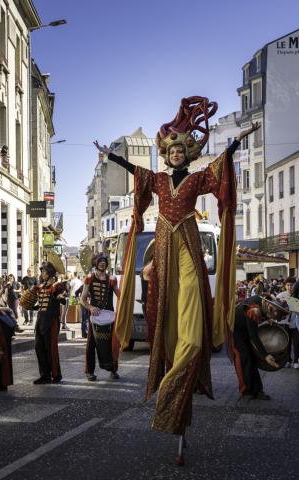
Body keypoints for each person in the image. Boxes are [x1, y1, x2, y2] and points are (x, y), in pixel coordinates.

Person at [94, 97, 244, 444]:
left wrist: (238, 141)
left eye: (181, 151)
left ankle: (177, 377)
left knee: (192, 305)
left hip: (188, 243)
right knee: (164, 310)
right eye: (172, 151)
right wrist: (111, 156)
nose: (176, 154)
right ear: (167, 154)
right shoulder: (159, 180)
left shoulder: (195, 180)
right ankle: (171, 373)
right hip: (162, 243)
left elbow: (221, 166)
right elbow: (136, 173)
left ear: (187, 155)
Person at [232, 295, 288, 400]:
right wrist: (265, 355)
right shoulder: (254, 309)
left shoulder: (266, 303)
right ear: (271, 308)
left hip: (245, 329)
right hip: (235, 331)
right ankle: (246, 390)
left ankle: (256, 390)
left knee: (252, 359)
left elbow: (264, 317)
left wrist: (268, 319)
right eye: (274, 317)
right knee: (244, 359)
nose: (274, 319)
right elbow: (254, 336)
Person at [80, 253, 121, 381]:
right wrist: (91, 308)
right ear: (96, 264)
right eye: (100, 261)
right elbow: (82, 299)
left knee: (112, 344)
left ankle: (113, 370)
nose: (103, 263)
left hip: (109, 317)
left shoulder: (111, 279)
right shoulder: (89, 279)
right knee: (91, 345)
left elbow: (120, 296)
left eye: (104, 261)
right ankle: (89, 371)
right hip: (95, 318)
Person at [32, 262, 66, 384]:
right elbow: (39, 304)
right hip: (40, 320)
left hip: (51, 321)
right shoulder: (41, 286)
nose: (42, 274)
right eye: (41, 272)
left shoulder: (57, 286)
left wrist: (60, 297)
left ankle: (56, 375)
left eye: (44, 271)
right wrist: (31, 305)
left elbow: (62, 298)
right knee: (39, 347)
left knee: (51, 348)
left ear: (50, 273)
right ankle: (45, 375)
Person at [276, 277, 299, 369]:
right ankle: (287, 360)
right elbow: (275, 310)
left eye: (292, 285)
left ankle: (296, 360)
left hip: (296, 322)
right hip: (284, 322)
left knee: (298, 342)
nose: (290, 287)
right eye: (288, 285)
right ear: (285, 286)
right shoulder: (280, 295)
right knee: (286, 342)